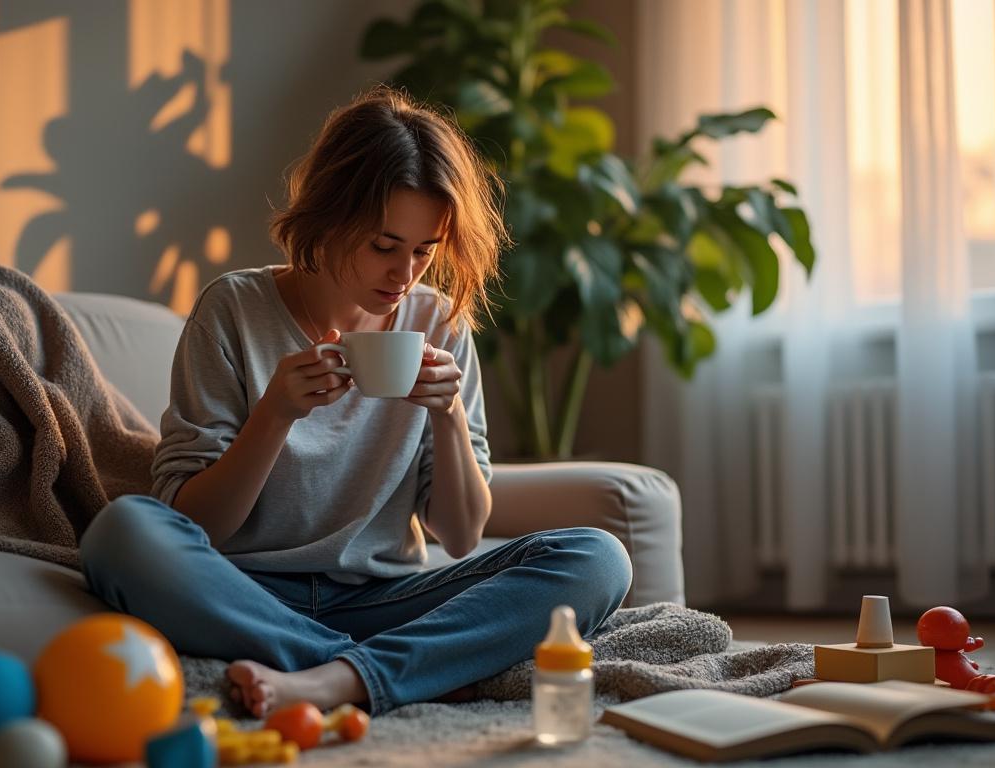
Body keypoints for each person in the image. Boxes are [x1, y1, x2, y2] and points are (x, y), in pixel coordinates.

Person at [79, 85, 632, 718]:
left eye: (425, 251)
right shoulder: (233, 309)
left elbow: (460, 534)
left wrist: (447, 416)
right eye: (383, 245)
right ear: (328, 217)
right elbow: (196, 525)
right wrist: (275, 416)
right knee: (122, 533)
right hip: (247, 593)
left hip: (386, 597)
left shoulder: (441, 324)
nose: (404, 276)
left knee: (598, 558)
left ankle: (330, 679)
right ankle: (386, 668)